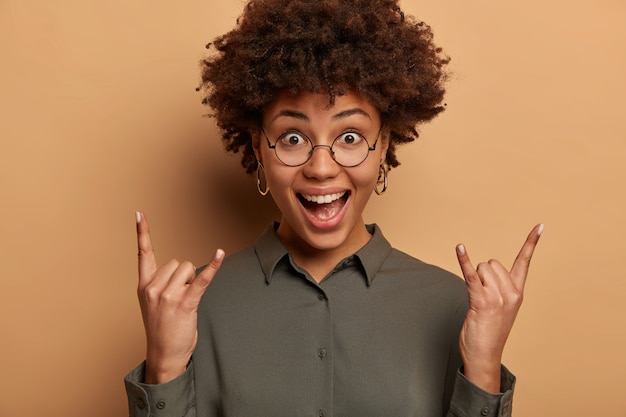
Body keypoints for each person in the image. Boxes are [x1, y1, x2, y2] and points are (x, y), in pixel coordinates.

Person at [124, 0, 543, 416]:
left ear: (384, 146)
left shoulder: (455, 306)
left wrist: (484, 368)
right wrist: (164, 365)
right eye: (292, 137)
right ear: (258, 149)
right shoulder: (194, 307)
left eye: (349, 137)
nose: (321, 168)